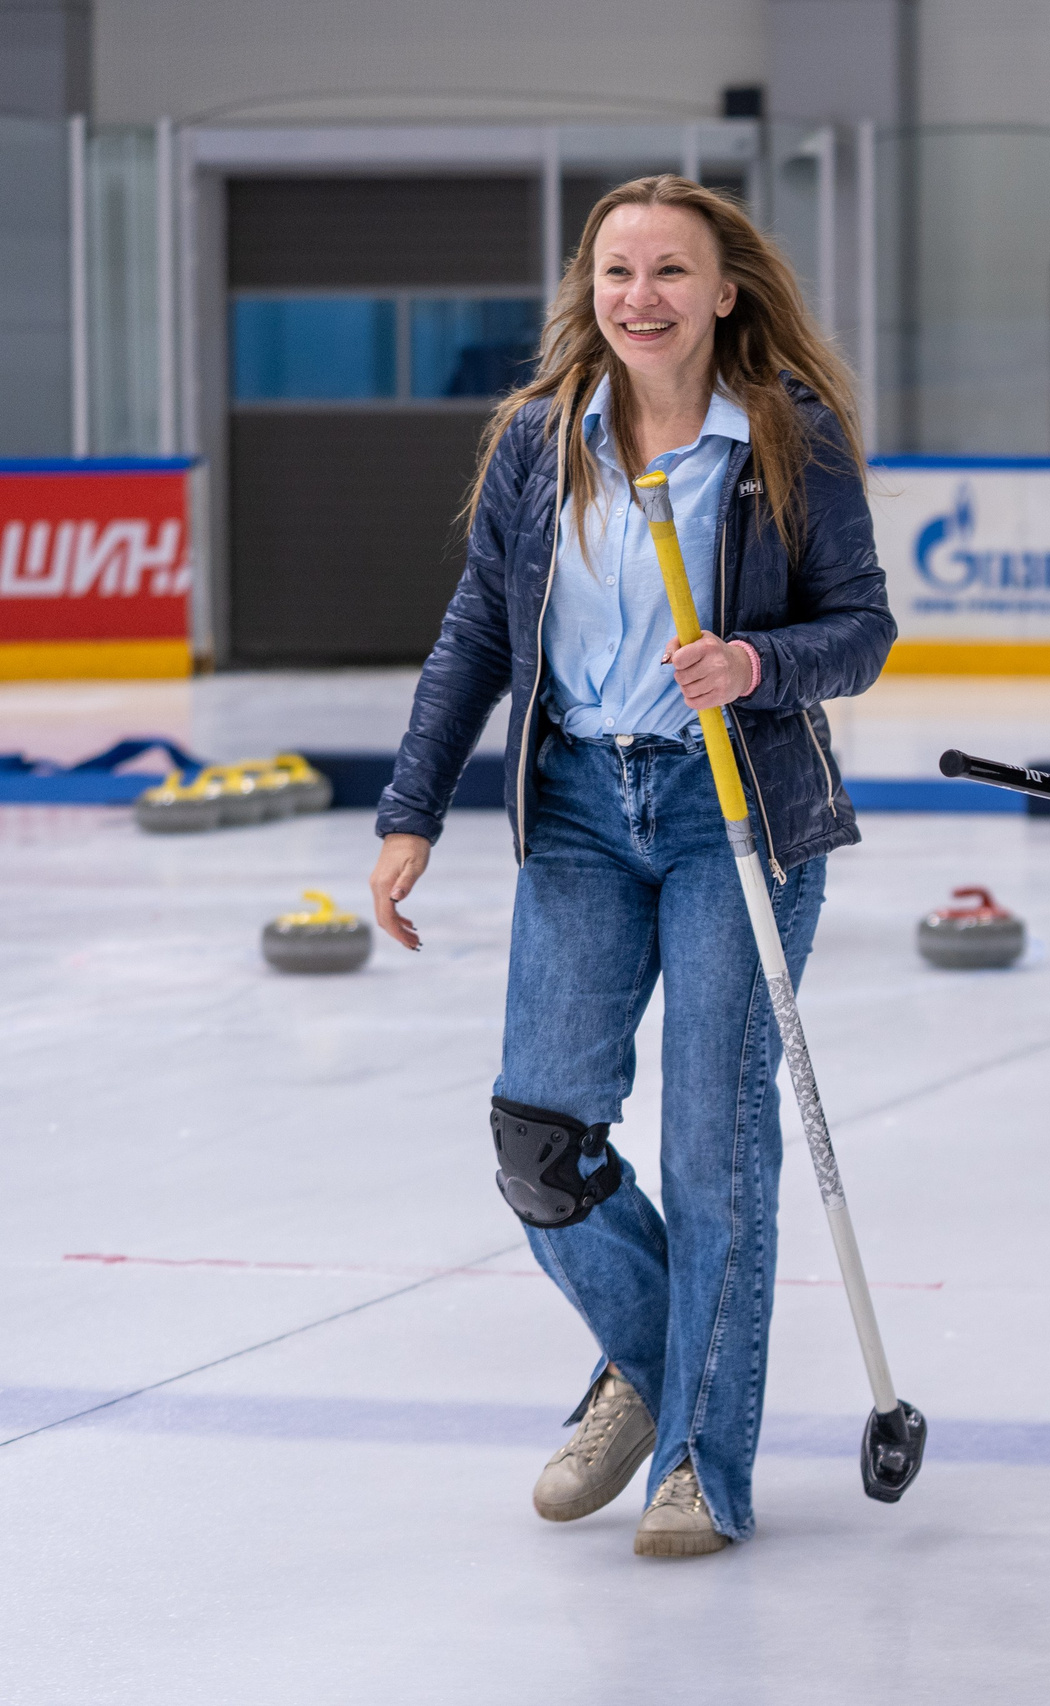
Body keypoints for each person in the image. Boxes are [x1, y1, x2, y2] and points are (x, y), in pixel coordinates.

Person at [367, 176, 895, 1557]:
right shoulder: (544, 442)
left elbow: (863, 629)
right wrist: (409, 808)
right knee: (540, 1141)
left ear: (727, 291)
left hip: (737, 814)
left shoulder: (791, 438)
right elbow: (478, 630)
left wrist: (756, 663)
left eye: (671, 271)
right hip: (585, 808)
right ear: (588, 289)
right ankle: (656, 1358)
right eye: (617, 271)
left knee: (717, 1153)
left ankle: (701, 1462)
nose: (640, 297)